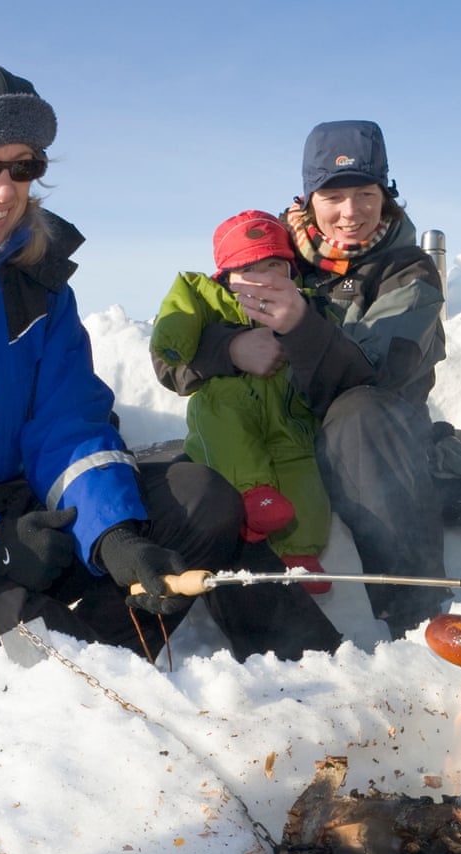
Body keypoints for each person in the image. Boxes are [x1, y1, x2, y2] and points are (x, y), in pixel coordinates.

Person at [0, 65, 340, 663]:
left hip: (20, 506)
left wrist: (113, 533)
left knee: (201, 499)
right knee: (28, 650)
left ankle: (308, 680)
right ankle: (57, 685)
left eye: (25, 165)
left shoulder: (39, 286)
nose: (4, 189)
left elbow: (66, 422)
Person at [154, 121, 448, 639]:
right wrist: (230, 349)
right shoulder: (272, 256)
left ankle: (414, 611)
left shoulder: (407, 271)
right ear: (309, 198)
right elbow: (176, 355)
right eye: (333, 195)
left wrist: (298, 326)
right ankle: (278, 650)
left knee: (361, 413)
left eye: (365, 193)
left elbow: (380, 376)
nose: (351, 212)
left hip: (373, 447)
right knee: (207, 476)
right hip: (279, 434)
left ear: (387, 195)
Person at [150, 211, 332, 593]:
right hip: (229, 414)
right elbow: (174, 329)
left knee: (304, 477)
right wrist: (188, 343)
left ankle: (301, 554)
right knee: (225, 415)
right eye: (247, 269)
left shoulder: (308, 306)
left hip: (286, 419)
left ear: (292, 271)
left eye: (272, 266)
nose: (261, 278)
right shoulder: (206, 297)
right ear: (224, 277)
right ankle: (252, 494)